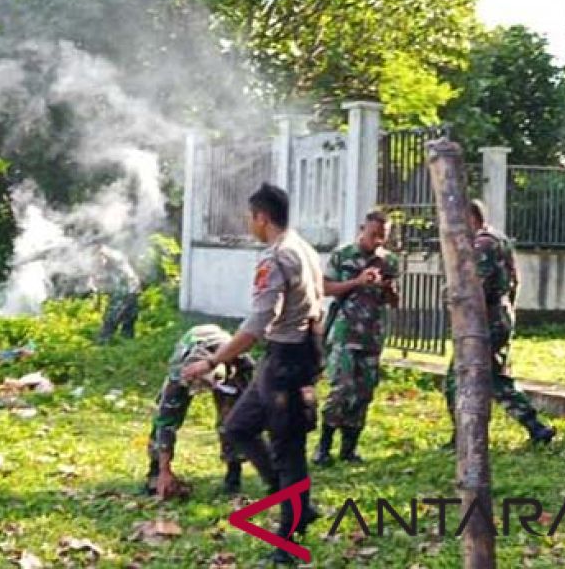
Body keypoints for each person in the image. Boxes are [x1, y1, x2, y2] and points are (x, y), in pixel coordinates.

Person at [182, 183, 324, 565]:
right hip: (286, 357)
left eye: (251, 218)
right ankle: (290, 497)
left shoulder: (276, 257)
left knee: (288, 448)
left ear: (262, 217)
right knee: (238, 427)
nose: (250, 225)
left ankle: (289, 539)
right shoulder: (304, 249)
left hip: (287, 362)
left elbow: (260, 321)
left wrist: (213, 361)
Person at [443, 200, 554, 447]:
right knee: (495, 377)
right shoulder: (498, 240)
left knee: (457, 378)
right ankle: (535, 427)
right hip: (499, 314)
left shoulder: (482, 245)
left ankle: (463, 437)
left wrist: (452, 300)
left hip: (484, 319)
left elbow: (474, 289)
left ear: (471, 219)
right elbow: (515, 279)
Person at [313, 211, 400, 466]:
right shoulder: (344, 255)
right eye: (373, 235)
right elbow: (325, 288)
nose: (377, 241)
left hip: (372, 335)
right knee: (342, 388)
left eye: (382, 237)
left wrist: (389, 290)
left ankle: (349, 448)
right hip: (345, 332)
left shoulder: (389, 262)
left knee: (364, 392)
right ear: (362, 229)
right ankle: (324, 447)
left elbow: (394, 303)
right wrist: (357, 281)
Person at [145, 324, 256, 499]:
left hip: (227, 364)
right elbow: (165, 422)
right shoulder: (180, 374)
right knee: (165, 417)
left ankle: (233, 475)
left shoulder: (241, 363)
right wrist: (164, 471)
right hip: (191, 356)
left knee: (232, 420)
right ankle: (155, 472)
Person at [95, 245, 142, 343]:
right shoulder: (114, 255)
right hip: (131, 288)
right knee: (129, 318)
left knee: (112, 317)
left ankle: (103, 342)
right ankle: (127, 343)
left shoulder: (112, 256)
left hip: (125, 289)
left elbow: (103, 267)